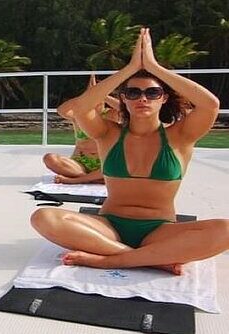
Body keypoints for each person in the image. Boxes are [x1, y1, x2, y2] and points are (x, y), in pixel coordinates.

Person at [30, 28, 229, 275]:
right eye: (133, 92)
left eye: (152, 92)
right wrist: (130, 68)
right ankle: (147, 260)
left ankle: (109, 259)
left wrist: (154, 67)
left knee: (226, 230)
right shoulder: (108, 134)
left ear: (163, 98)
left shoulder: (180, 136)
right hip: (108, 226)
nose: (142, 98)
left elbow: (211, 104)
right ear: (123, 98)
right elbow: (81, 107)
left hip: (159, 230)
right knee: (43, 217)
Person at [43, 74, 120, 184]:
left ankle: (83, 179)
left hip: (105, 162)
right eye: (91, 96)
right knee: (50, 158)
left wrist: (102, 94)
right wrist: (86, 96)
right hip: (80, 163)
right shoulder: (80, 115)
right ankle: (91, 178)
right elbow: (62, 110)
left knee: (122, 164)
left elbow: (128, 110)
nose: (94, 99)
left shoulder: (112, 114)